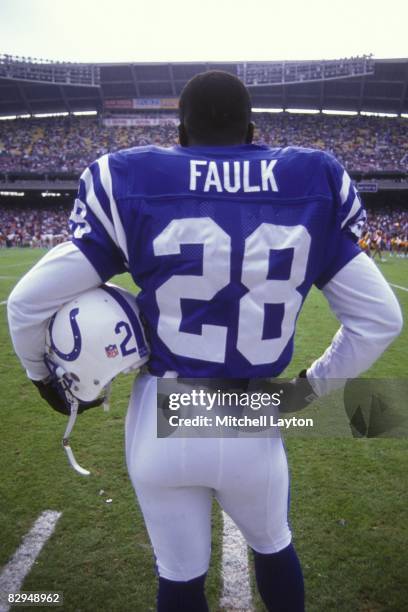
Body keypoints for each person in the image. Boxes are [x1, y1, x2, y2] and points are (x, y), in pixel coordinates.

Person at [7, 71, 403, 612]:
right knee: (273, 545)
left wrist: (42, 379)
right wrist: (311, 388)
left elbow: (26, 304)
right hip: (249, 411)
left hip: (162, 415)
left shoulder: (132, 177)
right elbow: (380, 319)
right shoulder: (311, 178)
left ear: (181, 132)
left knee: (178, 578)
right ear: (253, 127)